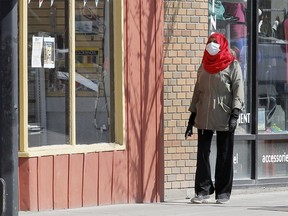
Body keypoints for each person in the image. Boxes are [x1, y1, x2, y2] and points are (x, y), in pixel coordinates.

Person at [185, 33, 244, 204]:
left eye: (215, 42)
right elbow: (197, 92)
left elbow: (238, 90)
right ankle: (203, 190)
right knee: (203, 154)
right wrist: (191, 117)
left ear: (222, 44)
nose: (211, 45)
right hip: (204, 116)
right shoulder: (203, 65)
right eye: (209, 42)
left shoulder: (232, 65)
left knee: (224, 154)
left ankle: (223, 192)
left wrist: (235, 113)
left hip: (224, 116)